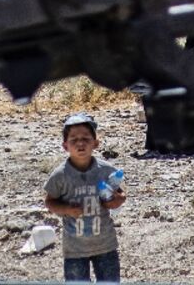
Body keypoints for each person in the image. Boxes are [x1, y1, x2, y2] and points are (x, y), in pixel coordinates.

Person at [44, 114, 125, 283]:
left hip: (106, 244)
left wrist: (116, 201)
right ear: (65, 146)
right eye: (74, 140)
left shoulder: (105, 170)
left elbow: (119, 194)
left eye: (86, 138)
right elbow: (50, 201)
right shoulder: (60, 175)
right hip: (74, 248)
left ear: (96, 143)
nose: (80, 143)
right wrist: (66, 210)